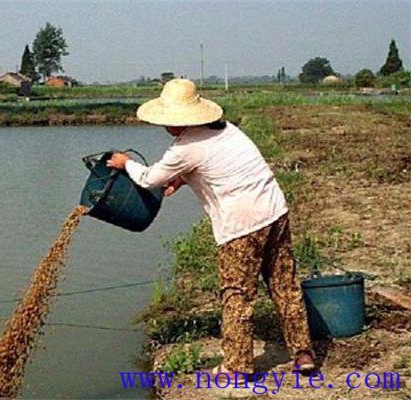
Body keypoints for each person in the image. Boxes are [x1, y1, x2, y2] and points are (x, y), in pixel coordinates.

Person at [106, 79, 315, 381]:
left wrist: (125, 164)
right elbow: (216, 165)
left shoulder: (185, 148)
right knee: (285, 285)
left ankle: (236, 367)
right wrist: (183, 178)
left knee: (237, 295)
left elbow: (149, 179)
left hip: (241, 225)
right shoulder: (227, 130)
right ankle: (303, 353)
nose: (166, 126)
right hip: (274, 211)